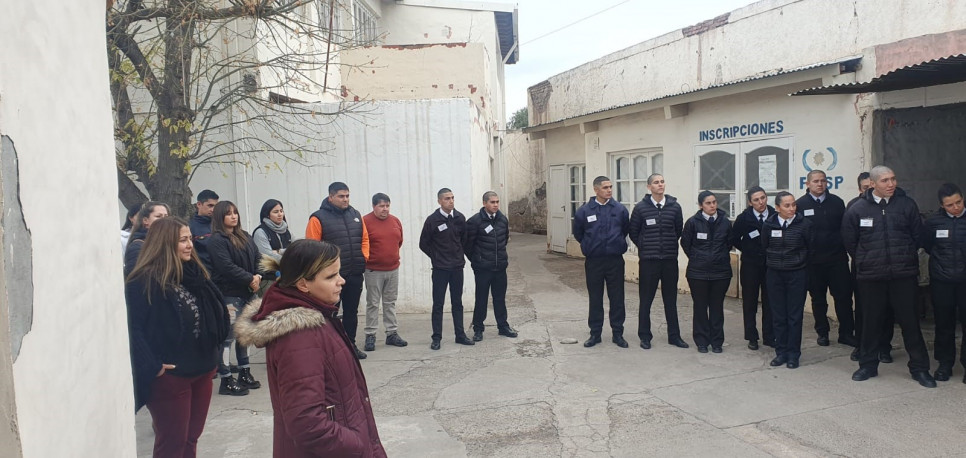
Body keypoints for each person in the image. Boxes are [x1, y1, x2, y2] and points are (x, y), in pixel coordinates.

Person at [234, 240, 387, 457]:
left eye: (338, 273)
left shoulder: (319, 316)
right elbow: (307, 423)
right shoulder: (300, 337)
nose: (341, 281)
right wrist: (357, 446)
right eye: (330, 276)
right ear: (303, 285)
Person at [125, 218, 229, 457]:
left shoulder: (195, 275)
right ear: (164, 243)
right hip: (171, 378)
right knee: (172, 443)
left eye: (190, 239)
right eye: (182, 240)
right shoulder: (143, 280)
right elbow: (133, 328)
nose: (189, 245)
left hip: (203, 370)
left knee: (191, 439)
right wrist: (152, 366)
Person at [843, 165, 936, 388]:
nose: (891, 184)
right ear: (873, 184)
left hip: (902, 275)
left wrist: (902, 256)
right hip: (871, 276)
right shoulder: (857, 209)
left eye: (893, 179)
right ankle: (867, 365)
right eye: (885, 180)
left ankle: (920, 369)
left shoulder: (906, 205)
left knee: (910, 323)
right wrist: (867, 260)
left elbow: (917, 236)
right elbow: (850, 242)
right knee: (871, 323)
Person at [306, 182, 370, 359]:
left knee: (351, 312)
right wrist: (323, 271)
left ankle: (351, 346)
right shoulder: (317, 218)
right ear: (331, 197)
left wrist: (363, 257)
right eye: (341, 196)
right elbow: (312, 247)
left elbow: (364, 239)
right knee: (329, 312)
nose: (345, 199)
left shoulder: (356, 215)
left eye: (347, 195)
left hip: (355, 273)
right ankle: (328, 350)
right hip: (330, 277)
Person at [628, 173, 688, 350]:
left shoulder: (674, 207)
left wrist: (666, 246)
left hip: (669, 260)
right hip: (649, 262)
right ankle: (645, 336)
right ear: (649, 187)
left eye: (662, 182)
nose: (660, 185)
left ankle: (674, 336)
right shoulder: (640, 209)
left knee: (671, 300)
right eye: (656, 182)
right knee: (646, 300)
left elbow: (678, 230)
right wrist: (646, 247)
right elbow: (634, 232)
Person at [796, 170, 856, 348]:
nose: (820, 184)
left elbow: (845, 229)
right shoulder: (800, 205)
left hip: (837, 259)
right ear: (807, 184)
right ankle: (822, 332)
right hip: (814, 262)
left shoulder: (837, 202)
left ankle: (846, 333)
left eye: (823, 181)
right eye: (815, 181)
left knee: (844, 297)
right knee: (818, 299)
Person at [208, 200, 262, 395]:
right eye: (228, 213)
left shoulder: (245, 237)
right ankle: (226, 379)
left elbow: (258, 259)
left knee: (245, 336)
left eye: (235, 213)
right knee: (228, 338)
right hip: (229, 294)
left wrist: (257, 276)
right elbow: (225, 266)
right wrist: (250, 279)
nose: (234, 216)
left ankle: (244, 372)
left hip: (248, 293)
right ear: (220, 217)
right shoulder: (216, 240)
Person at [573, 176, 630, 348]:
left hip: (615, 260)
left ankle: (618, 333)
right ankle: (595, 334)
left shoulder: (620, 210)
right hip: (594, 261)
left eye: (611, 187)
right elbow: (578, 233)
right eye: (605, 187)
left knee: (617, 298)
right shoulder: (584, 211)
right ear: (596, 190)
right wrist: (590, 246)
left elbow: (625, 229)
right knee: (595, 298)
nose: (609, 190)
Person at [921, 183, 966, 383]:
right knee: (944, 324)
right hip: (942, 281)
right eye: (950, 205)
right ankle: (945, 363)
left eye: (958, 202)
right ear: (942, 205)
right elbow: (928, 245)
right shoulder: (933, 222)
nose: (955, 207)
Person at [419, 188, 475, 350]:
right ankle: (436, 337)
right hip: (440, 269)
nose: (451, 201)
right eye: (447, 199)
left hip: (457, 267)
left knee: (457, 303)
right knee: (438, 304)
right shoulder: (432, 220)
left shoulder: (459, 218)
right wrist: (436, 257)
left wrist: (458, 256)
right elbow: (423, 243)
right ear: (439, 201)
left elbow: (464, 240)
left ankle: (460, 335)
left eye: (452, 198)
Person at [846, 172, 894, 362]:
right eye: (866, 188)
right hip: (863, 267)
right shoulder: (854, 207)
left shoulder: (890, 205)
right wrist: (861, 258)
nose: (870, 190)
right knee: (864, 309)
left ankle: (884, 347)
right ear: (860, 189)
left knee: (887, 308)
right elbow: (849, 238)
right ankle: (861, 345)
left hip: (886, 267)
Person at [762, 192, 812, 369]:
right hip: (775, 274)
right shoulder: (768, 225)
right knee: (778, 315)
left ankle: (793, 354)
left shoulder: (804, 225)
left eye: (793, 205)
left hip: (797, 274)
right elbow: (764, 246)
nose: (792, 209)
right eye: (787, 206)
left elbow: (810, 247)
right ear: (777, 208)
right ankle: (781, 352)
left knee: (794, 316)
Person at [681, 191, 732, 354]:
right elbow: (686, 243)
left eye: (714, 202)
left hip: (720, 272)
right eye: (708, 203)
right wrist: (698, 258)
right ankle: (701, 341)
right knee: (700, 307)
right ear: (701, 205)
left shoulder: (725, 222)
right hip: (698, 273)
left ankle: (717, 341)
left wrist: (719, 257)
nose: (712, 206)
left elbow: (729, 243)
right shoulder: (692, 223)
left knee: (717, 307)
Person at [465, 191, 518, 341]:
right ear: (484, 203)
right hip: (483, 268)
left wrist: (500, 258)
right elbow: (468, 245)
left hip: (500, 267)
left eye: (497, 202)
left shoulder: (502, 219)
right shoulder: (474, 221)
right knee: (481, 299)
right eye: (492, 202)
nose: (495, 205)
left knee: (499, 298)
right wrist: (477, 261)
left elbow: (504, 240)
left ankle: (503, 326)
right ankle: (478, 328)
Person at [362, 193, 408, 351]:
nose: (385, 209)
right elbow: (362, 243)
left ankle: (392, 333)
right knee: (373, 303)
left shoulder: (395, 221)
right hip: (373, 270)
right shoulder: (365, 222)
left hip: (393, 269)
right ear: (373, 206)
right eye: (381, 206)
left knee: (390, 302)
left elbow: (399, 241)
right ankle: (370, 335)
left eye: (387, 206)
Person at [730, 186, 775, 350]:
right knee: (750, 301)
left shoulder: (774, 214)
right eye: (756, 200)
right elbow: (734, 238)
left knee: (770, 301)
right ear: (750, 202)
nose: (761, 202)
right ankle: (752, 336)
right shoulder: (744, 218)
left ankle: (769, 335)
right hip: (750, 265)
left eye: (763, 198)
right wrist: (748, 249)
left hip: (771, 264)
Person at [124, 201, 170, 277]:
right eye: (158, 216)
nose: (164, 220)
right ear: (145, 220)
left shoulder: (169, 242)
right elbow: (136, 279)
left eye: (166, 216)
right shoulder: (137, 247)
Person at [253, 199, 293, 263]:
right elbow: (267, 255)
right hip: (269, 271)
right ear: (268, 215)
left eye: (281, 211)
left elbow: (297, 249)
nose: (280, 214)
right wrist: (289, 260)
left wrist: (279, 251)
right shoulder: (260, 232)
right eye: (276, 212)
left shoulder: (286, 230)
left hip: (288, 269)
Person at [190, 189, 219, 272]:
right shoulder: (190, 227)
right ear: (199, 204)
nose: (213, 209)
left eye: (215, 206)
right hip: (202, 273)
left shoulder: (220, 225)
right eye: (210, 206)